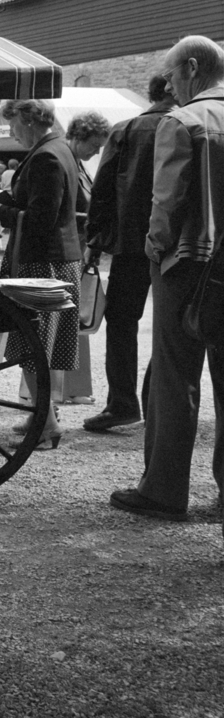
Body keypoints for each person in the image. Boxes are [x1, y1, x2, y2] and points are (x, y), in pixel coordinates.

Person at [111, 36, 224, 522]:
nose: (172, 87)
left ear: (192, 68)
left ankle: (163, 489)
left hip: (188, 264)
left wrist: (153, 250)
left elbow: (166, 204)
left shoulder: (183, 122)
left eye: (174, 76)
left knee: (174, 377)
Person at [83, 76, 176, 432]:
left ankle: (123, 403)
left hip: (131, 242)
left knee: (122, 322)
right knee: (174, 327)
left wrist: (95, 241)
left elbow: (102, 189)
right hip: (179, 244)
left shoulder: (127, 130)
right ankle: (158, 402)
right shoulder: (192, 125)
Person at [0, 98, 81, 448]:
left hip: (42, 262)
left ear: (28, 121)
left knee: (31, 345)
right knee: (43, 345)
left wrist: (4, 209)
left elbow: (41, 219)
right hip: (57, 257)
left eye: (14, 126)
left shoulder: (46, 156)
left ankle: (46, 426)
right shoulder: (59, 148)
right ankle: (42, 414)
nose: (13, 134)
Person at [58, 110, 112, 406]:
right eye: (94, 144)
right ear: (79, 137)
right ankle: (68, 389)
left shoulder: (77, 163)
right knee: (71, 320)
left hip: (79, 250)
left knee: (76, 320)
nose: (97, 151)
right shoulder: (69, 162)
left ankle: (72, 388)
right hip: (71, 250)